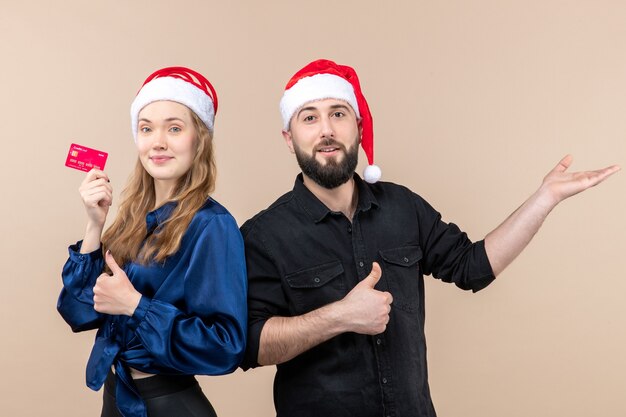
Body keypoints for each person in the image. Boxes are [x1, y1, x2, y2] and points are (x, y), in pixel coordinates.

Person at [240, 59, 620, 417]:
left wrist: (544, 198)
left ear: (357, 126)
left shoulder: (403, 207)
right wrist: (339, 317)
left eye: (337, 114)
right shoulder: (264, 236)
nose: (326, 130)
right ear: (289, 138)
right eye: (310, 118)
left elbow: (473, 267)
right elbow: (250, 345)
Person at [57, 67, 247, 417]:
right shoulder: (132, 218)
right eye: (146, 128)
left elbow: (225, 347)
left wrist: (135, 305)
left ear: (198, 139)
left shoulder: (213, 226)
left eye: (174, 128)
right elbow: (78, 312)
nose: (157, 142)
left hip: (169, 406)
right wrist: (94, 226)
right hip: (117, 398)